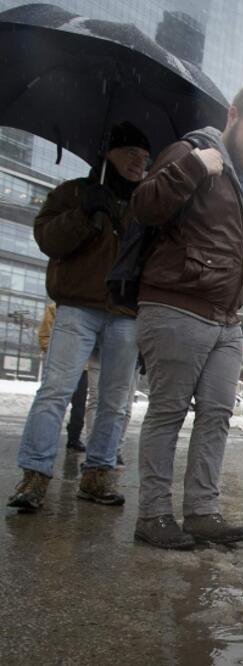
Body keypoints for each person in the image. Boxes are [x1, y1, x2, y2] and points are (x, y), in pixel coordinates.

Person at [130, 86, 243, 550]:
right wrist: (194, 167)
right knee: (168, 413)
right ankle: (153, 515)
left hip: (226, 318)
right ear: (233, 116)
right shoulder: (192, 152)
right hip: (176, 303)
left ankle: (201, 511)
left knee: (217, 415)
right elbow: (145, 206)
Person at [7, 122, 149, 511]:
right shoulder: (73, 193)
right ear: (109, 154)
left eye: (144, 158)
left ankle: (98, 474)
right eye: (131, 154)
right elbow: (47, 240)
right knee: (55, 392)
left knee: (116, 401)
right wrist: (85, 212)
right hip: (78, 306)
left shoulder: (146, 205)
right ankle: (34, 476)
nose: (139, 163)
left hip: (125, 312)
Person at [38, 302, 88, 453]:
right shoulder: (55, 307)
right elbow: (44, 335)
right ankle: (43, 441)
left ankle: (74, 439)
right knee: (52, 402)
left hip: (83, 368)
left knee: (79, 406)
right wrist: (54, 354)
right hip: (59, 364)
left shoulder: (89, 310)